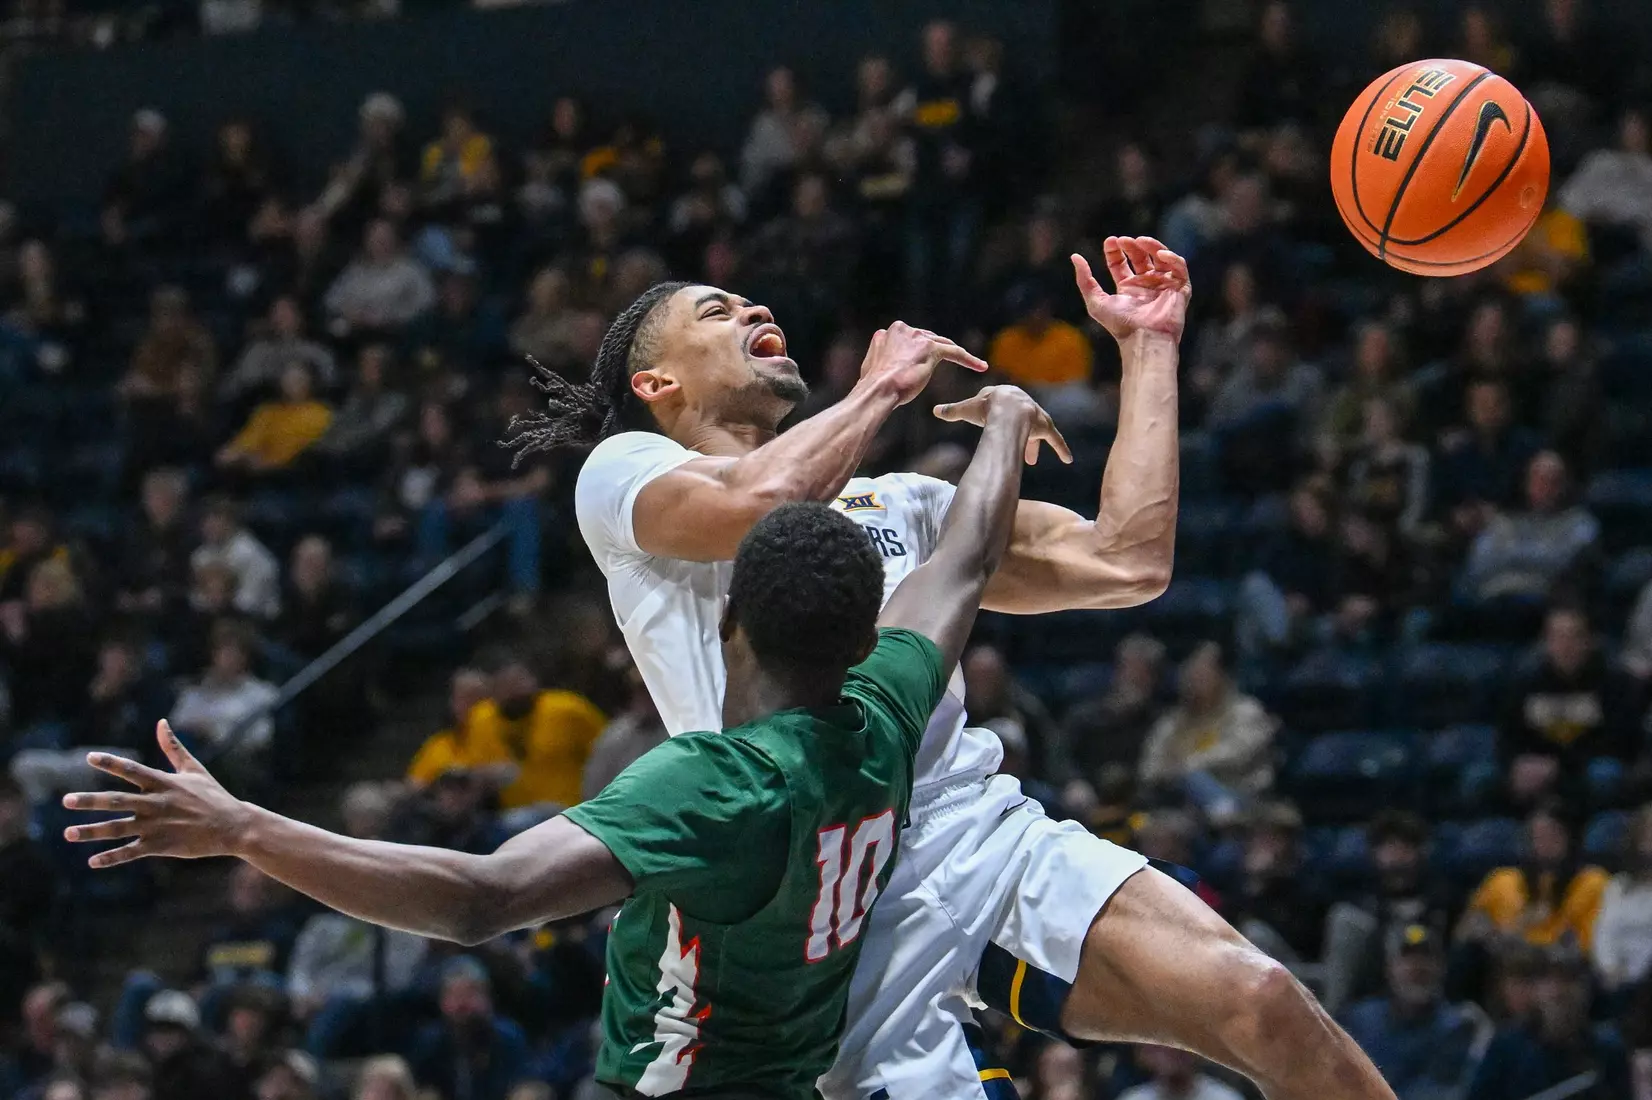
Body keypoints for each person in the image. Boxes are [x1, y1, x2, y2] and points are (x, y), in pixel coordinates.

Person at [511, 243, 1392, 1099]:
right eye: (716, 310)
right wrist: (883, 385)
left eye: (748, 301)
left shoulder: (900, 502)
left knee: (1265, 1003)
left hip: (972, 826)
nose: (753, 309)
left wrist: (1149, 346)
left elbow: (1129, 561)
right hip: (827, 898)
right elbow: (759, 505)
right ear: (656, 383)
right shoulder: (624, 475)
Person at [62, 379, 1048, 1098]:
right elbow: (960, 561)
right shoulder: (888, 711)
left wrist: (242, 828)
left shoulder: (720, 782)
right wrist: (1002, 419)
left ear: (727, 621)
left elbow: (476, 899)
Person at [1338, 925, 1485, 1100]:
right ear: (1389, 968)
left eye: (1426, 959)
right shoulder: (1359, 1018)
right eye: (1408, 959)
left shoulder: (1456, 1028)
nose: (1418, 968)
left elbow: (1440, 1091)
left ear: (1442, 968)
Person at [1138, 641, 1278, 823]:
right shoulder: (1172, 722)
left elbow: (1240, 753)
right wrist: (1169, 772)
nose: (1195, 681)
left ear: (1222, 676)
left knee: (1194, 776)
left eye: (1203, 674)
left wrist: (1189, 765)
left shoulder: (1245, 711)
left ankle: (1224, 813)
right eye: (1192, 675)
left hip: (1241, 795)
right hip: (1182, 806)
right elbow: (1148, 768)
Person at [1467, 947, 1630, 1100]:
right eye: (1549, 980)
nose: (1558, 992)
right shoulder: (1506, 1048)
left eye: (1569, 979)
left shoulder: (1608, 1051)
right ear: (1536, 989)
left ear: (1586, 990)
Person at [1459, 802, 1610, 951]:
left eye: (1552, 835)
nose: (1543, 844)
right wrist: (1485, 930)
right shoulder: (1502, 880)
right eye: (1537, 836)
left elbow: (1587, 945)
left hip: (1556, 965)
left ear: (1570, 838)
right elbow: (1466, 930)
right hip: (1500, 959)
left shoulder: (1593, 882)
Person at [1594, 805, 1652, 993]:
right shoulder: (1617, 886)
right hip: (1616, 979)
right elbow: (1604, 933)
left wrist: (1639, 974)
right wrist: (1610, 968)